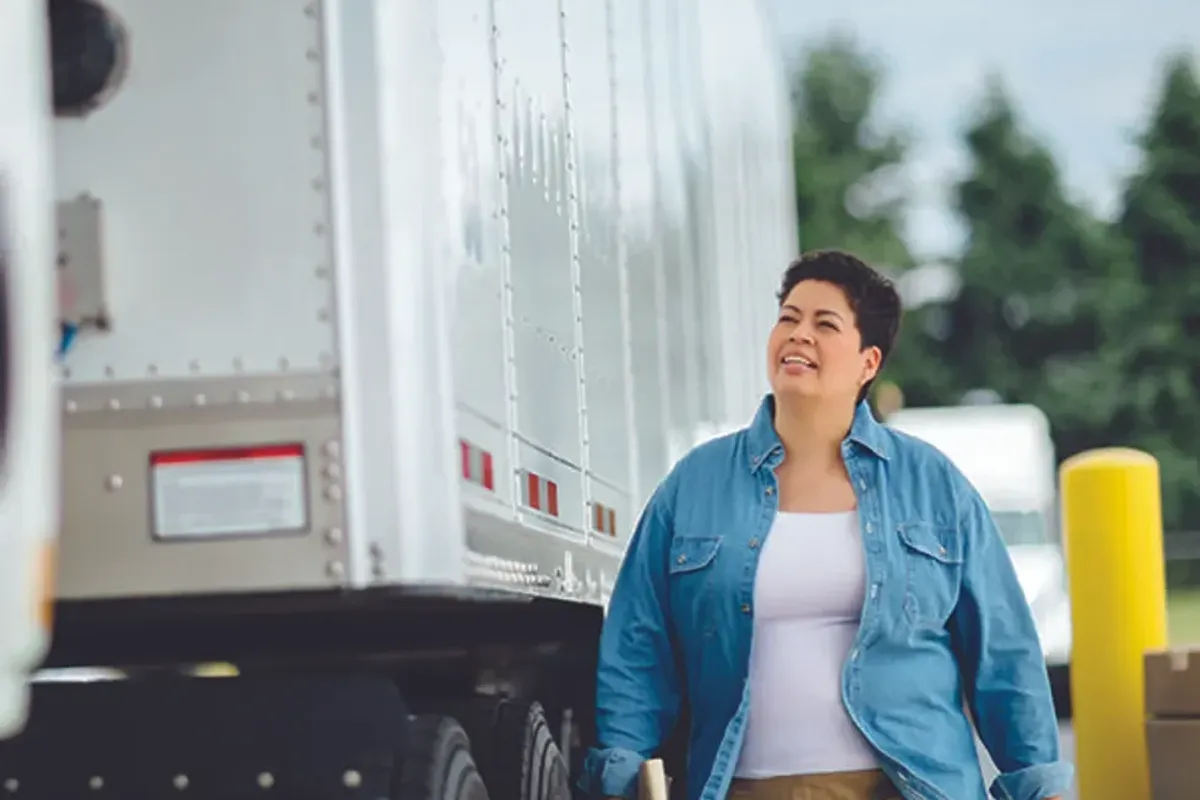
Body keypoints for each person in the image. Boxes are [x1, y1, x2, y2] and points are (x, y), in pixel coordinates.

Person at [579, 250, 1072, 800]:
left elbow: (1003, 655)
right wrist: (622, 773)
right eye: (788, 317)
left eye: (825, 323)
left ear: (868, 363)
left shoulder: (933, 486)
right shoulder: (694, 485)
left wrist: (1040, 786)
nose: (798, 334)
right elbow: (638, 646)